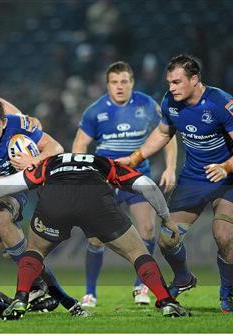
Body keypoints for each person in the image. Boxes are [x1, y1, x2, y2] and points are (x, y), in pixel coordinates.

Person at [0, 153, 192, 319]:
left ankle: (21, 298)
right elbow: (146, 183)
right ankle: (166, 301)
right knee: (137, 251)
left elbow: (9, 185)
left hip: (56, 201)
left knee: (34, 251)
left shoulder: (49, 163)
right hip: (95, 201)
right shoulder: (102, 161)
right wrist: (166, 216)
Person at [116, 55, 233, 313]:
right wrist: (135, 158)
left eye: (177, 81)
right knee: (167, 240)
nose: (171, 87)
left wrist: (226, 167)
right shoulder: (170, 102)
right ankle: (183, 278)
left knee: (224, 236)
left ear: (194, 80)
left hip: (226, 179)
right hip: (193, 178)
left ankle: (226, 295)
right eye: (169, 82)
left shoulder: (221, 103)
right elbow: (162, 133)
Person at [0, 99, 84, 314]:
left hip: (15, 188)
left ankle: (62, 297)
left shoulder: (19, 125)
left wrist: (34, 162)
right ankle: (39, 287)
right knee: (8, 252)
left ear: (3, 123)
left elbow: (56, 147)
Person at [72, 61, 177, 306]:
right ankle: (90, 292)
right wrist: (82, 174)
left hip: (136, 176)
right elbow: (79, 144)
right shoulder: (95, 111)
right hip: (104, 178)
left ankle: (141, 286)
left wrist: (171, 168)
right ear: (107, 85)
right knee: (96, 238)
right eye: (114, 82)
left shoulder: (147, 104)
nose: (119, 87)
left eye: (124, 82)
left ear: (132, 83)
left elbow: (168, 135)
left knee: (148, 230)